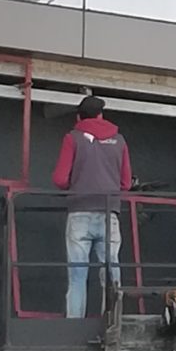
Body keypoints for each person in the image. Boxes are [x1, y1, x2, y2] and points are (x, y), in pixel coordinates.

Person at [54, 92, 132, 319]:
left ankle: (75, 324)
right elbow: (126, 183)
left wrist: (78, 183)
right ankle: (112, 320)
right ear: (101, 114)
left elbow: (60, 178)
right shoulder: (119, 140)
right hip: (109, 212)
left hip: (79, 211)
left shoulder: (73, 138)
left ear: (79, 117)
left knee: (77, 275)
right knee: (111, 271)